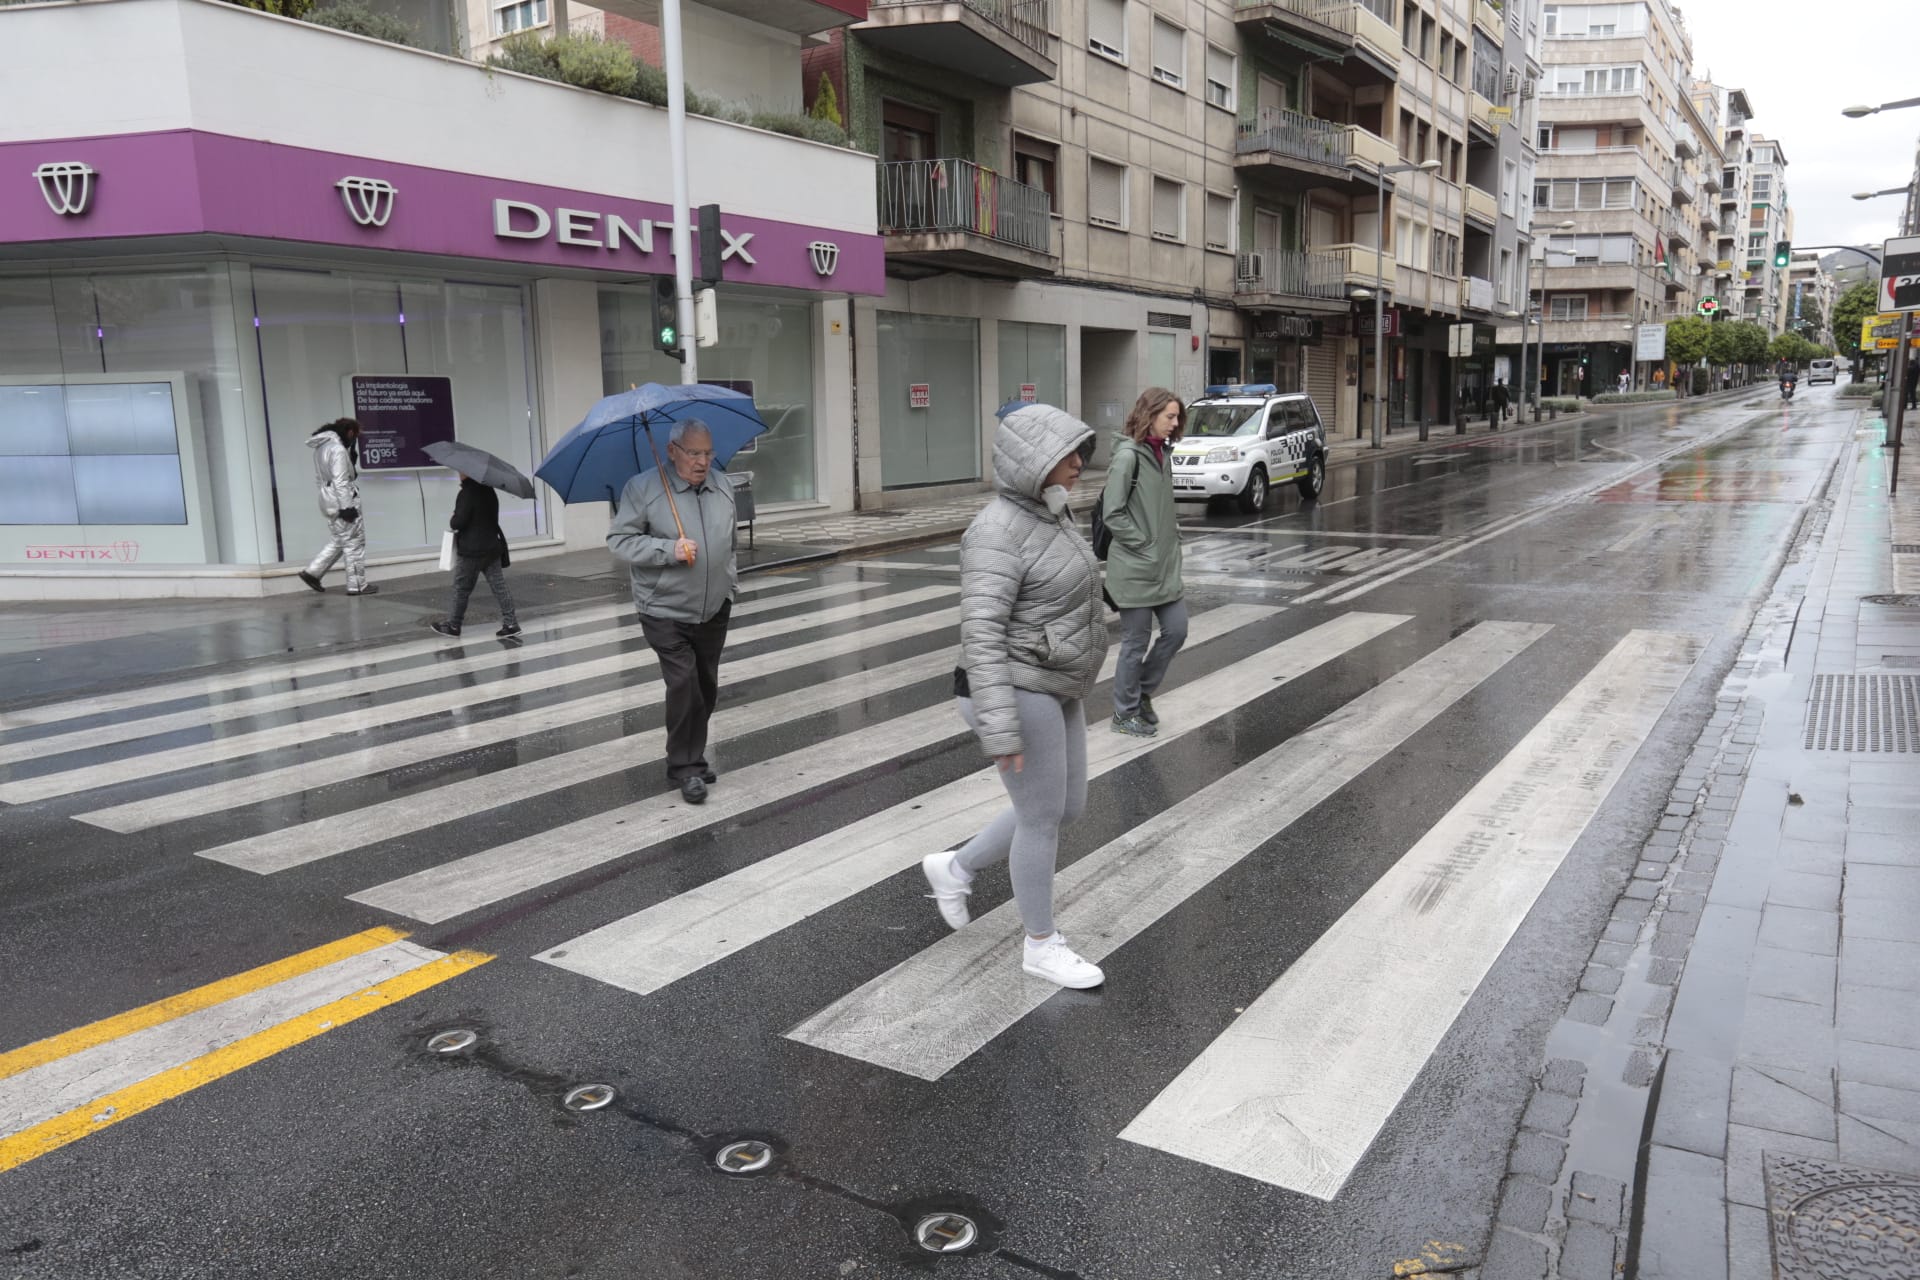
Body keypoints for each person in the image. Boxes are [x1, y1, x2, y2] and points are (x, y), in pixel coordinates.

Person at [921, 404, 1108, 989]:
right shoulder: (995, 530)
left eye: (1080, 451)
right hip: (1011, 682)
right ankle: (1041, 944)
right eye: (1066, 455)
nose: (1079, 464)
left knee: (1064, 807)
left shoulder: (1052, 513)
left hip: (1055, 676)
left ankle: (954, 867)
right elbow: (982, 632)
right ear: (1033, 462)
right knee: (1041, 819)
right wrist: (1000, 728)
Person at [607, 420, 738, 806]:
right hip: (664, 608)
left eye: (708, 452)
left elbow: (729, 542)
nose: (703, 462)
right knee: (684, 685)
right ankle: (686, 767)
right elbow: (619, 540)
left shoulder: (722, 485)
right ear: (672, 451)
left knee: (705, 686)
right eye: (694, 453)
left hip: (713, 607)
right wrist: (669, 551)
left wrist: (729, 584)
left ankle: (690, 757)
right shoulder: (644, 489)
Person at [1101, 388, 1187, 738]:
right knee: (1135, 643)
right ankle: (1124, 713)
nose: (1175, 423)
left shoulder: (1162, 454)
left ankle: (1142, 692)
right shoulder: (1128, 457)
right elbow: (1113, 513)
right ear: (1149, 415)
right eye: (1169, 416)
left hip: (1163, 567)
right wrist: (1146, 543)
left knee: (1177, 630)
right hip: (1136, 568)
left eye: (1177, 416)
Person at [431, 474, 519, 639]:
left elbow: (458, 523)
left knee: (461, 588)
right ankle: (511, 623)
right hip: (491, 548)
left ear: (468, 473)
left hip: (472, 551)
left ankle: (454, 625)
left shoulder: (467, 493)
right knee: (499, 587)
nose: (459, 473)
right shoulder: (490, 491)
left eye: (461, 471)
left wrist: (453, 516)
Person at [298, 418, 377, 595]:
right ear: (349, 432)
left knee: (340, 540)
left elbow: (323, 479)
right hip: (342, 500)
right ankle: (357, 585)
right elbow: (341, 481)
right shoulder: (338, 449)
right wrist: (347, 507)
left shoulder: (321, 448)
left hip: (328, 499)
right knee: (354, 542)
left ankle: (313, 572)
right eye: (355, 436)